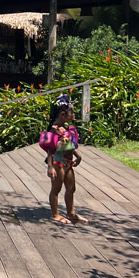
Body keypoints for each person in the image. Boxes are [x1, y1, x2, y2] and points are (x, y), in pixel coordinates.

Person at [44, 96, 85, 224]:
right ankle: (56, 214)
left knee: (71, 188)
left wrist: (78, 155)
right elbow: (50, 150)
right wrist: (50, 167)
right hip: (57, 163)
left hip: (68, 163)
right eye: (71, 112)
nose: (73, 114)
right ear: (63, 114)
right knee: (56, 189)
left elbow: (69, 145)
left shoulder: (66, 129)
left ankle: (71, 213)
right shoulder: (54, 130)